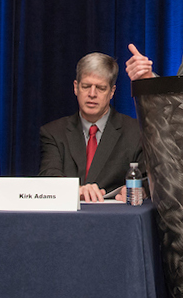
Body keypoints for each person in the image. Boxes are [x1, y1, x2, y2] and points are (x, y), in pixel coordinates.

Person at [39, 53, 143, 202]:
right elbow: (48, 178)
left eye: (100, 88)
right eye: (86, 86)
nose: (92, 94)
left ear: (112, 92)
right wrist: (76, 191)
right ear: (76, 87)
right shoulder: (54, 132)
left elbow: (149, 180)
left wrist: (140, 189)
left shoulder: (135, 131)